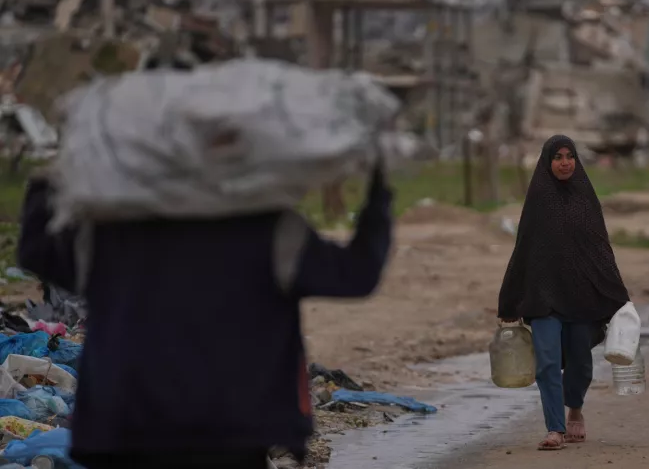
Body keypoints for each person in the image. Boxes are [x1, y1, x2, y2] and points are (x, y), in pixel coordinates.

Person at [17, 166, 394, 469]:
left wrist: (47, 180)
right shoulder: (271, 231)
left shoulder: (112, 231)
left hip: (124, 428)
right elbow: (357, 273)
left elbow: (36, 252)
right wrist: (379, 192)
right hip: (229, 431)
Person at [497, 135, 631, 451]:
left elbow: (600, 249)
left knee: (580, 363)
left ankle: (576, 409)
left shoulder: (586, 198)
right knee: (547, 362)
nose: (565, 162)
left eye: (569, 156)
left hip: (581, 295)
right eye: (557, 157)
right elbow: (523, 250)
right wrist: (510, 300)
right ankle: (555, 428)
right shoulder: (538, 199)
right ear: (547, 162)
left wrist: (617, 296)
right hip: (543, 295)